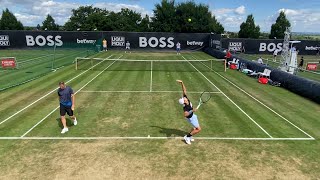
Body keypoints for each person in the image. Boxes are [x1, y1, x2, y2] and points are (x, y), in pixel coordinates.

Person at [176, 80, 201, 145]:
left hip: (193, 116)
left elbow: (184, 90)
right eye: (183, 98)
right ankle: (187, 137)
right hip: (191, 118)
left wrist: (182, 83)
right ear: (184, 101)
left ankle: (189, 136)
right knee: (198, 129)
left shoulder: (185, 98)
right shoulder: (185, 107)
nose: (184, 97)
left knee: (194, 128)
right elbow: (185, 114)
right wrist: (192, 110)